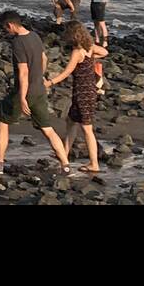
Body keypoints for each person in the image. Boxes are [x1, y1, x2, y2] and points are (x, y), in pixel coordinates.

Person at [0, 10, 72, 176]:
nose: (5, 31)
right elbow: (44, 59)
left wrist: (22, 97)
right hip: (39, 89)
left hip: (25, 90)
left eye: (5, 28)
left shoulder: (18, 43)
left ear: (10, 25)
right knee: (47, 128)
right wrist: (41, 77)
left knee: (3, 120)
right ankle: (66, 166)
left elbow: (22, 72)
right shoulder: (35, 36)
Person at [45, 21, 109, 173]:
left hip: (82, 93)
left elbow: (67, 72)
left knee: (87, 129)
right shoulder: (90, 48)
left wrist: (50, 82)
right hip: (89, 91)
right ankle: (64, 154)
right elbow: (105, 53)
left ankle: (94, 163)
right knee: (71, 121)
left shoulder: (77, 52)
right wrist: (94, 55)